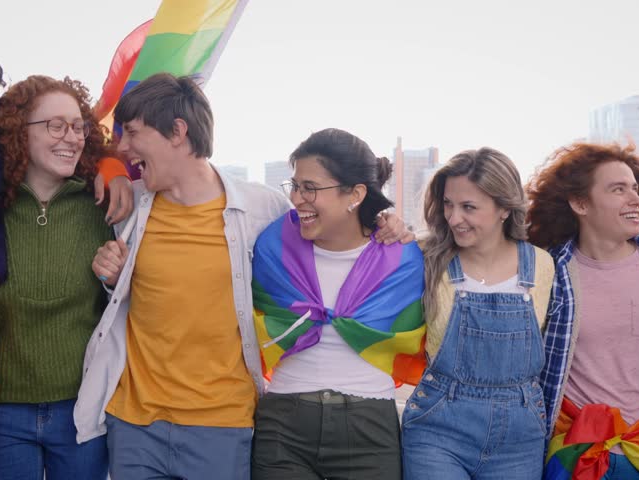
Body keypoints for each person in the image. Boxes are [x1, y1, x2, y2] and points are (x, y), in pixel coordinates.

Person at [75, 74, 412, 479]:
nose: (124, 147)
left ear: (178, 132)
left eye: (131, 133)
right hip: (133, 424)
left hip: (222, 424)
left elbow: (328, 225)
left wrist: (384, 223)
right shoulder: (128, 205)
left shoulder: (261, 208)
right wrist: (109, 270)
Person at [0, 3, 131, 479]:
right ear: (20, 132)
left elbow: (80, 145)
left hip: (36, 386)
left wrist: (112, 167)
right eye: (55, 125)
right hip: (3, 402)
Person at [250, 128, 426, 480]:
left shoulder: (400, 256)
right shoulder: (271, 244)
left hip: (368, 430)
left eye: (311, 188)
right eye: (295, 186)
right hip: (283, 425)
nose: (298, 198)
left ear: (355, 194)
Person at [0, 75, 116, 480]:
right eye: (56, 125)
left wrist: (115, 277)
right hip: (0, 410)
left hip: (84, 411)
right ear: (19, 132)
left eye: (77, 126)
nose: (71, 137)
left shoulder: (105, 204)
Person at [526, 142, 639, 479]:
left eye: (634, 188)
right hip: (572, 449)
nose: (635, 199)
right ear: (580, 203)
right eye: (618, 189)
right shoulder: (548, 269)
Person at [401, 148, 555, 479]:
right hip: (438, 428)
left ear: (504, 208)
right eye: (448, 204)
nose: (454, 218)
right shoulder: (426, 258)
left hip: (520, 437)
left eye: (468, 207)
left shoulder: (542, 265)